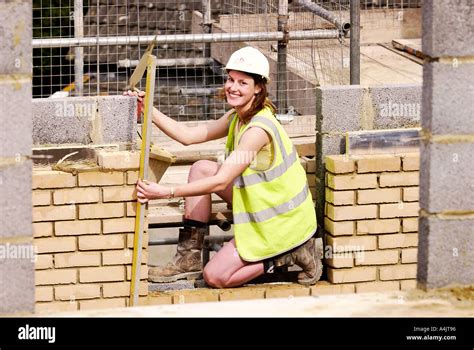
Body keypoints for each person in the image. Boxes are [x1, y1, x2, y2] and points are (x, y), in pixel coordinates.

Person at [125, 47, 322, 288]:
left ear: (258, 87)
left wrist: (165, 192)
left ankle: (289, 254)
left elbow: (220, 182)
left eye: (242, 83)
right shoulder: (237, 117)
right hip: (263, 204)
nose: (233, 87)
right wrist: (148, 110)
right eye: (230, 79)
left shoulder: (258, 130)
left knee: (216, 277)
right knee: (201, 168)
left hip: (281, 222)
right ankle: (188, 258)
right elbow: (188, 135)